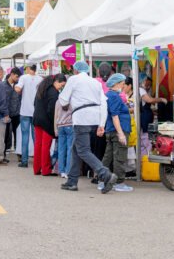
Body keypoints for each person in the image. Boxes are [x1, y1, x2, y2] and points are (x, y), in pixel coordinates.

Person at [58, 61, 117, 194]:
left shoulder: (74, 80)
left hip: (81, 118)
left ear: (75, 70)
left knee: (83, 150)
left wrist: (64, 93)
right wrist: (101, 124)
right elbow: (103, 103)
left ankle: (105, 174)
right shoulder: (95, 83)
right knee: (76, 149)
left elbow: (63, 100)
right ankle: (72, 181)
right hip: (95, 118)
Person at [99, 73, 133, 192]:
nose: (124, 86)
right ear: (116, 84)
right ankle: (119, 182)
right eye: (123, 84)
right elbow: (115, 115)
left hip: (111, 130)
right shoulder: (113, 96)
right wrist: (121, 133)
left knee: (108, 156)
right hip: (117, 130)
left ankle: (102, 179)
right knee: (119, 157)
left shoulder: (110, 95)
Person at [33, 74, 67, 176]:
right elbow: (52, 110)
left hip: (37, 119)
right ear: (56, 81)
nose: (61, 87)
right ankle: (46, 169)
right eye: (61, 85)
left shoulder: (42, 89)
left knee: (38, 145)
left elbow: (35, 103)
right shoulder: (53, 93)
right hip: (46, 122)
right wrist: (55, 123)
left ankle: (36, 168)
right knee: (45, 146)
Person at [15, 64, 43, 168]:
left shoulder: (23, 77)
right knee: (36, 138)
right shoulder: (40, 79)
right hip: (36, 112)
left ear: (28, 69)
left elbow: (18, 89)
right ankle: (38, 161)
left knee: (25, 137)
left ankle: (24, 161)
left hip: (25, 111)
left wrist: (16, 87)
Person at [4, 67, 22, 153]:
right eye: (17, 76)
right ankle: (5, 149)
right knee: (6, 132)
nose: (17, 79)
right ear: (11, 74)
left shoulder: (19, 85)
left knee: (17, 132)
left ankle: (17, 149)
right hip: (6, 113)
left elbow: (20, 98)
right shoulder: (3, 85)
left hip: (17, 113)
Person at [55, 97, 73, 179]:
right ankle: (68, 170)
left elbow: (56, 115)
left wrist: (55, 128)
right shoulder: (72, 101)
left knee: (61, 149)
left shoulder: (58, 101)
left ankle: (61, 170)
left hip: (60, 126)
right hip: (70, 125)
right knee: (70, 149)